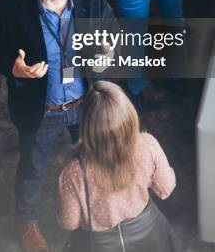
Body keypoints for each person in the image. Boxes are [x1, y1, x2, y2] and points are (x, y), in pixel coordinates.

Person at [0, 0, 114, 252]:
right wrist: (14, 69)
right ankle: (26, 222)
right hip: (42, 111)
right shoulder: (11, 9)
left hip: (86, 104)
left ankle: (96, 215)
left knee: (93, 163)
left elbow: (109, 24)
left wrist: (106, 48)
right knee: (33, 169)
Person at [57, 81, 177, 252]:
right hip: (148, 236)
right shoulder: (147, 145)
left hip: (98, 245)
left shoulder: (73, 172)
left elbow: (69, 221)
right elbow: (165, 189)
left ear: (88, 124)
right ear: (129, 115)